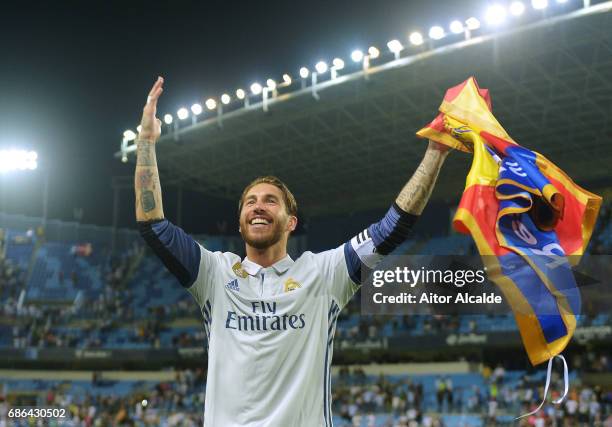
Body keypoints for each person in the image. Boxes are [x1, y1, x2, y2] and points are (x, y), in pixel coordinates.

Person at [134, 77, 450, 426]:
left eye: (271, 201)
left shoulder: (323, 274)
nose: (258, 207)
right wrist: (146, 143)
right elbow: (153, 225)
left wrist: (435, 151)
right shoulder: (213, 274)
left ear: (291, 222)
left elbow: (391, 229)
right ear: (240, 223)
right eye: (250, 202)